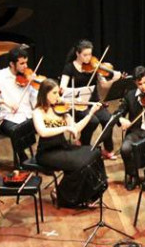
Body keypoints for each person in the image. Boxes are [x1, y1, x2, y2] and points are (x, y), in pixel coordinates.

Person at [32, 79, 105, 208]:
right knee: (80, 164)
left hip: (63, 147)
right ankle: (62, 195)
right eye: (54, 93)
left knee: (94, 152)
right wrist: (65, 128)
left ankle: (90, 194)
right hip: (47, 153)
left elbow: (76, 128)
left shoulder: (61, 109)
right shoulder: (37, 112)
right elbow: (43, 132)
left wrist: (90, 113)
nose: (58, 97)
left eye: (58, 93)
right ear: (45, 94)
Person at [59, 40, 121, 160]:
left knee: (108, 119)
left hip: (94, 102)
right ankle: (84, 144)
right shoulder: (69, 68)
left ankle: (108, 149)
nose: (88, 58)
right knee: (93, 121)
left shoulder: (94, 66)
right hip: (78, 104)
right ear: (77, 53)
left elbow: (104, 85)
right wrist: (69, 92)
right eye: (85, 55)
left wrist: (114, 79)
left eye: (90, 54)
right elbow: (62, 88)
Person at [0, 46, 37, 165]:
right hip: (7, 117)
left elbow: (34, 100)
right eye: (22, 63)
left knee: (44, 126)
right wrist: (1, 101)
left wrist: (34, 86)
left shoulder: (27, 76)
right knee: (17, 130)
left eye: (26, 62)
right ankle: (22, 159)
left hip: (27, 115)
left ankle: (41, 159)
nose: (26, 66)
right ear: (12, 64)